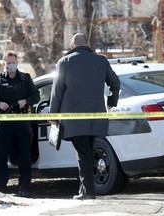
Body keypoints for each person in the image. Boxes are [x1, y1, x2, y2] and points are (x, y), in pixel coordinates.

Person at [49, 33, 120, 200]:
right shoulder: (101, 60)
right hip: (96, 118)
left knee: (83, 154)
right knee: (87, 152)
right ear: (87, 44)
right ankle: (87, 190)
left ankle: (87, 191)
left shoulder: (64, 62)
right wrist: (111, 101)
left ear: (72, 45)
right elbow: (115, 83)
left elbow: (56, 91)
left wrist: (53, 115)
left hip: (74, 120)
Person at [0, 51, 40, 196]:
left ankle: (24, 188)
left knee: (24, 156)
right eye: (8, 63)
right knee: (2, 156)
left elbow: (36, 96)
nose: (11, 65)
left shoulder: (25, 78)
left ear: (17, 62)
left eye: (13, 62)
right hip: (4, 123)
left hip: (22, 121)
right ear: (4, 64)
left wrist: (26, 101)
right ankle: (1, 189)